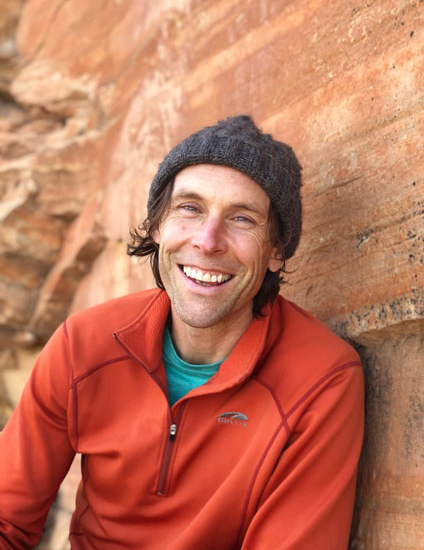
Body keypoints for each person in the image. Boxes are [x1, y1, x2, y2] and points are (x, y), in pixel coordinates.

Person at [0, 115, 364, 549]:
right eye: (189, 208)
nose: (208, 241)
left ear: (276, 251)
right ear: (158, 227)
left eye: (242, 218)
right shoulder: (84, 344)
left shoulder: (321, 379)